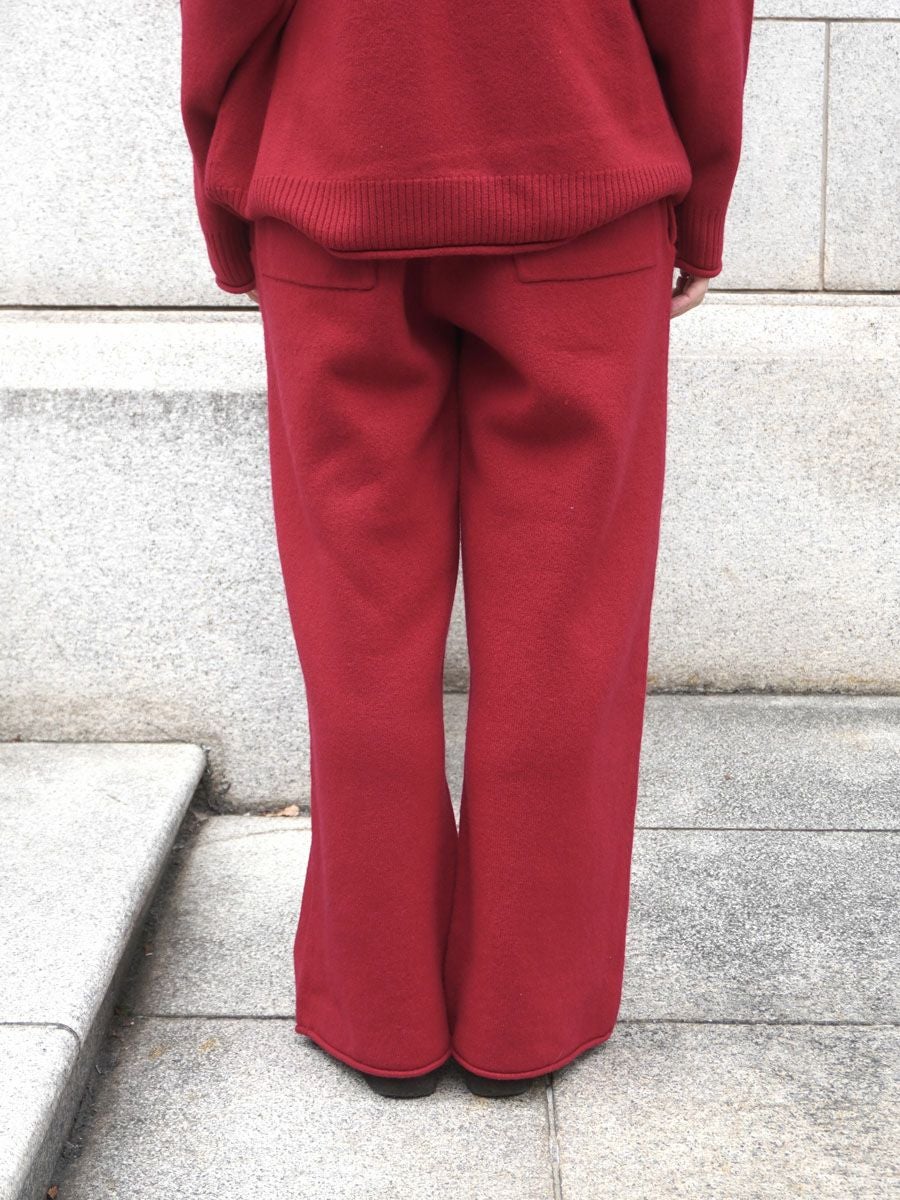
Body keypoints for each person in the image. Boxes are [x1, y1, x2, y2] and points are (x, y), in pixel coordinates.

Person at [179, 0, 754, 1100]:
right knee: (564, 632)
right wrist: (703, 207)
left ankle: (381, 1016)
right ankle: (526, 1018)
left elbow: (221, 18)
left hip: (335, 179)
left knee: (357, 634)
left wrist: (228, 203)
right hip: (582, 185)